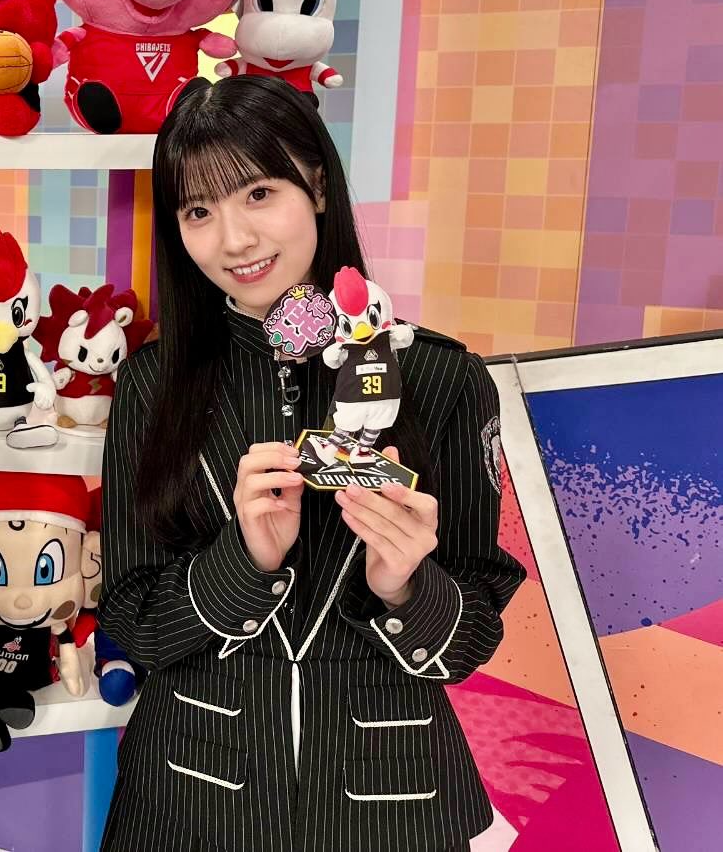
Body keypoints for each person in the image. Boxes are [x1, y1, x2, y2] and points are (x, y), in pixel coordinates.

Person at [98, 75, 525, 852]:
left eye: (258, 194)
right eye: (198, 211)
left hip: (390, 796)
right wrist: (242, 562)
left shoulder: (442, 378)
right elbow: (132, 618)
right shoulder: (152, 385)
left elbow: (469, 641)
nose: (233, 239)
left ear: (318, 186)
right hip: (188, 792)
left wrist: (404, 585)